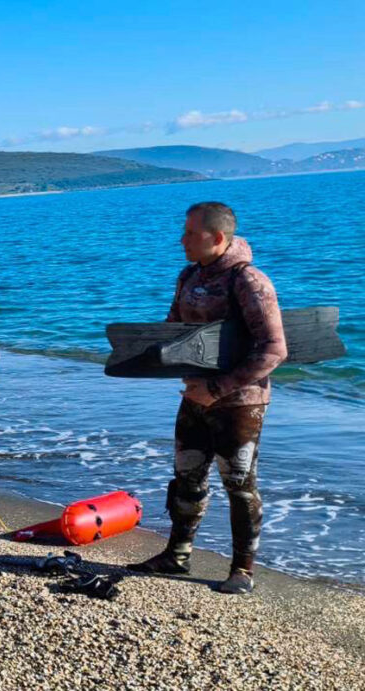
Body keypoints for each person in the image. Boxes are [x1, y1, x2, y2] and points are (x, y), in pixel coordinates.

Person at [129, 202, 286, 595]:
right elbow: (172, 331)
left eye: (189, 233)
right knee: (187, 476)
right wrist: (136, 354)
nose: (181, 240)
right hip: (195, 397)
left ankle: (242, 571)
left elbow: (273, 350)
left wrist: (216, 389)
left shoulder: (249, 281)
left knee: (239, 485)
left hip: (239, 402)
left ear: (216, 238)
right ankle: (177, 555)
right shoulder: (189, 276)